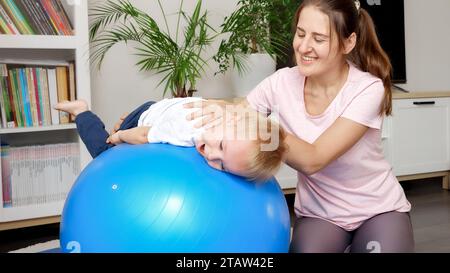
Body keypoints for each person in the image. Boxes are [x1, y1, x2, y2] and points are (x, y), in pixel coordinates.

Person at [185, 0, 414, 252]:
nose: (304, 46)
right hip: (320, 214)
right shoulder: (281, 82)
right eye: (301, 33)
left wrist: (259, 128)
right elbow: (236, 122)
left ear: (348, 42)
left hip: (378, 210)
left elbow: (314, 158)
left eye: (318, 38)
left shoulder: (368, 89)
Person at [54, 97, 286, 181]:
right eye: (222, 146)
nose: (212, 155)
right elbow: (144, 135)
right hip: (143, 120)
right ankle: (82, 112)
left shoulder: (229, 119)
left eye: (222, 165)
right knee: (104, 153)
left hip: (166, 108)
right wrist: (119, 136)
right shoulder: (186, 128)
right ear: (232, 122)